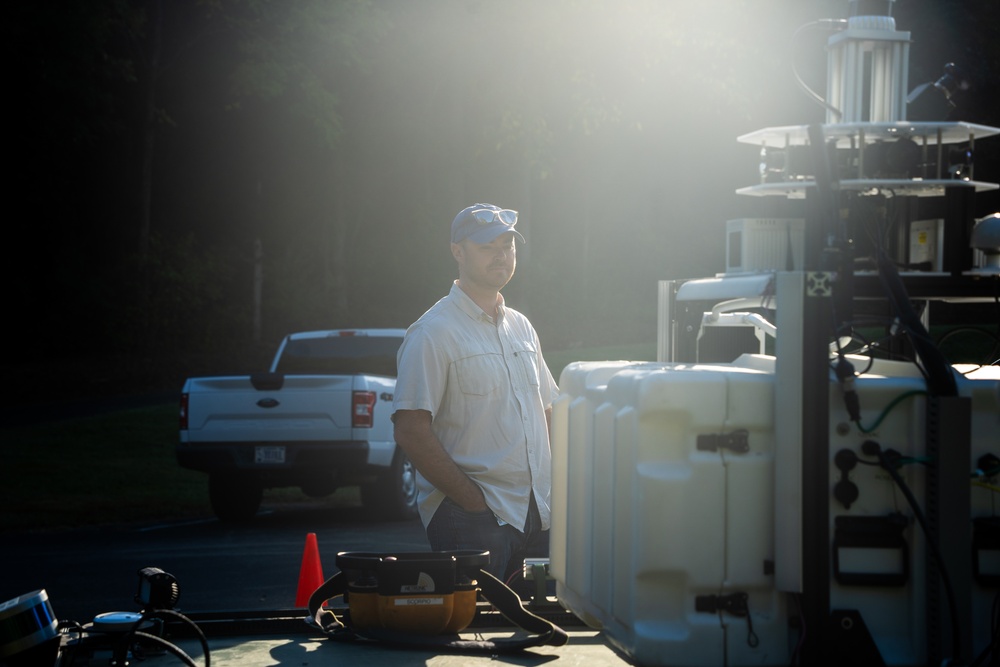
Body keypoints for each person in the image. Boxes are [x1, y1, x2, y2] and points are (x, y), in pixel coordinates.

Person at [392, 203, 559, 586]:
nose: (501, 254)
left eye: (507, 245)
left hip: (534, 513)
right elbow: (411, 430)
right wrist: (471, 502)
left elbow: (546, 409)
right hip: (470, 520)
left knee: (522, 635)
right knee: (471, 636)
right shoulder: (433, 332)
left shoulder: (522, 327)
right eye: (487, 246)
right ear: (458, 251)